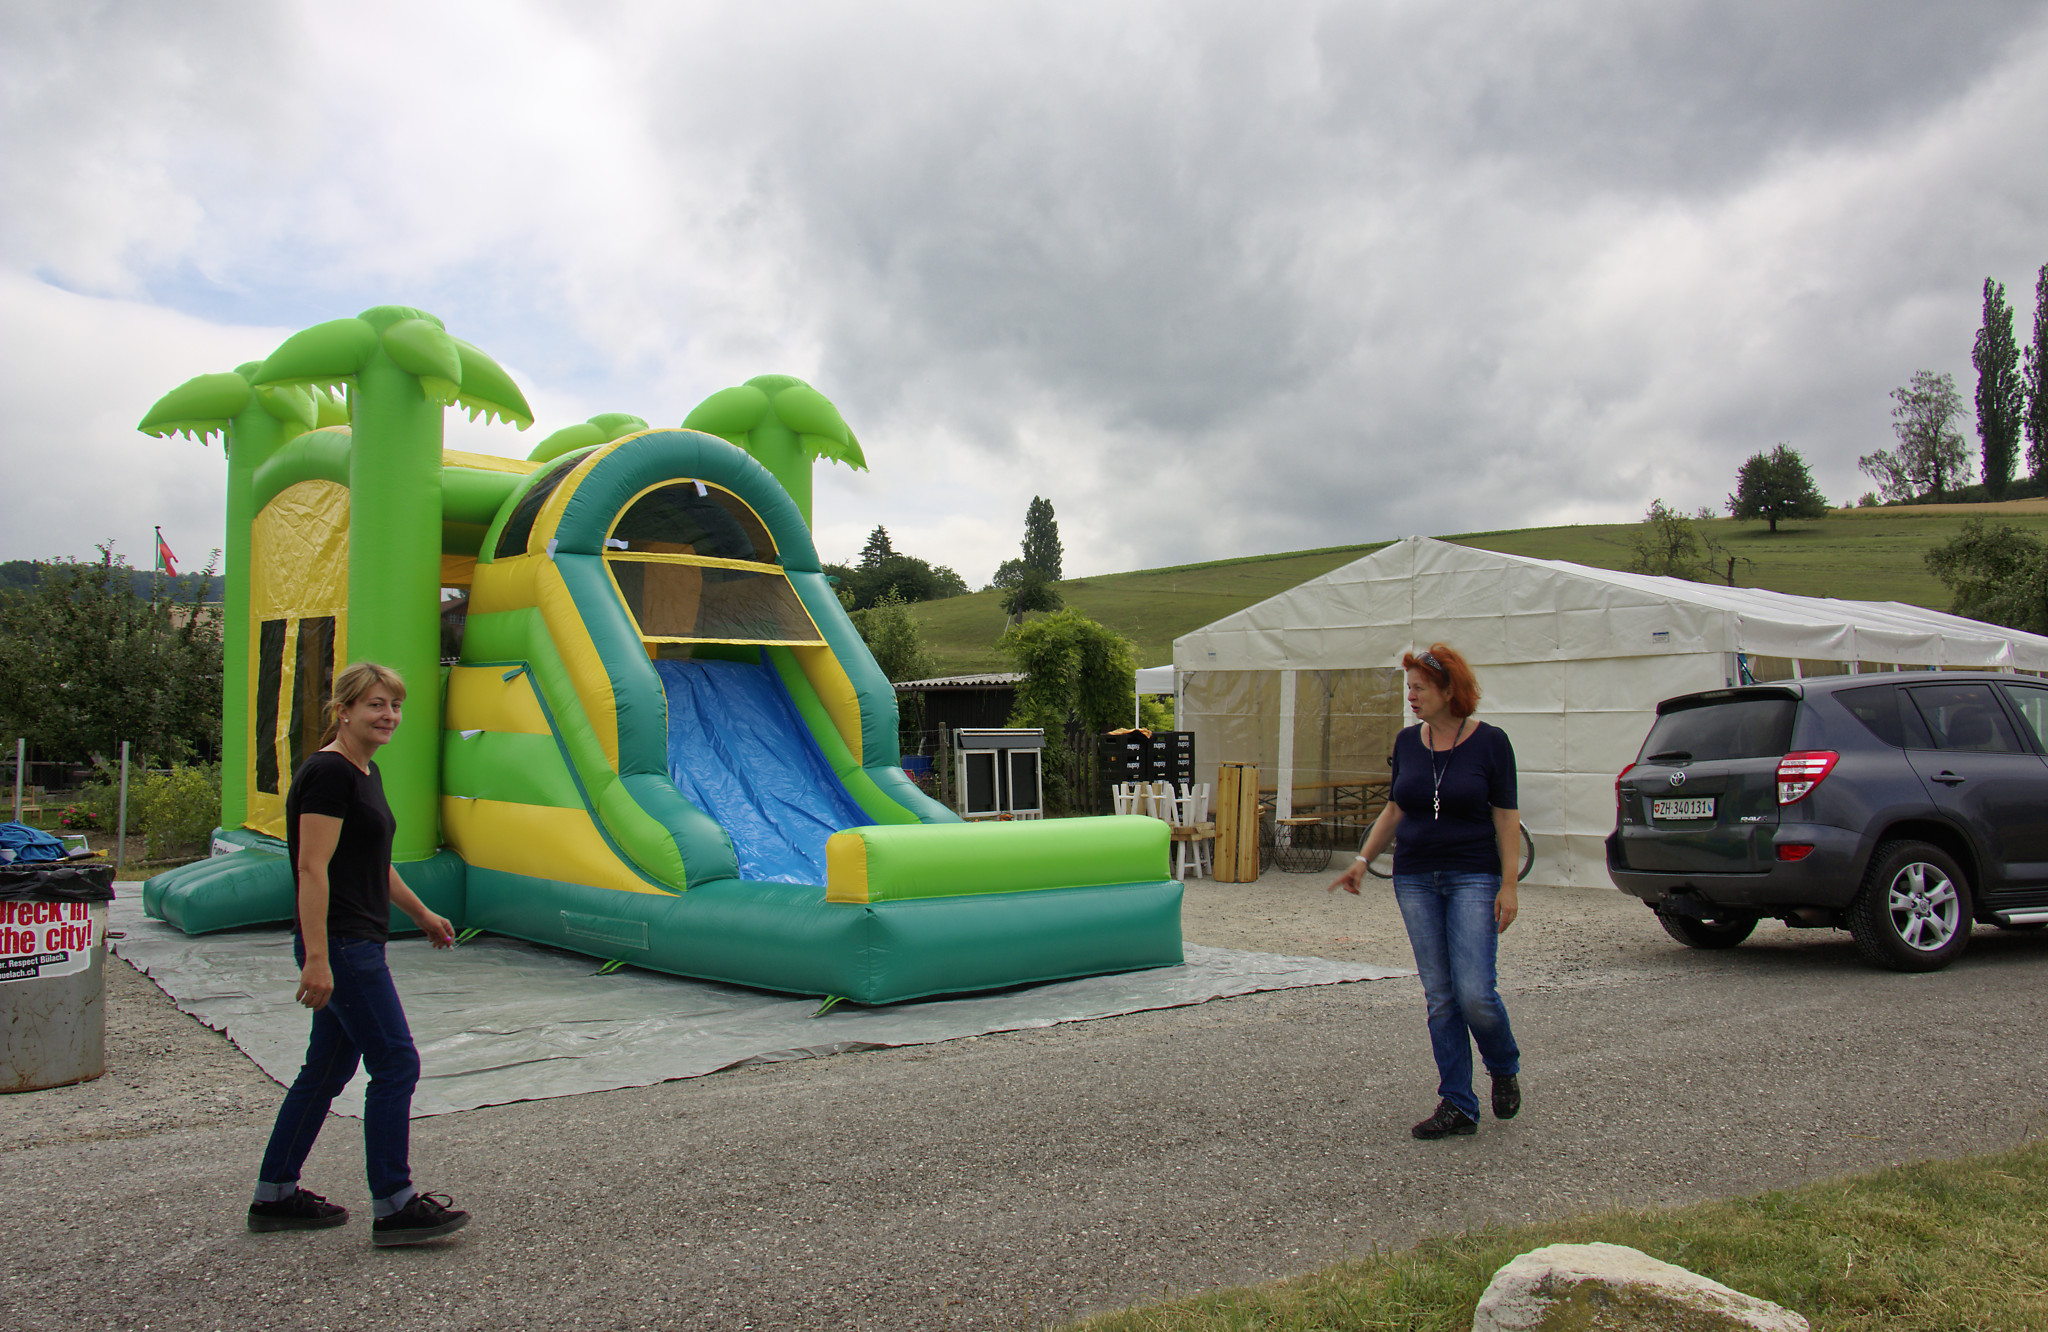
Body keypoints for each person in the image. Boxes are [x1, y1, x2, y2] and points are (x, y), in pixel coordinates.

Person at [246, 661, 471, 1245]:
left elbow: (373, 863)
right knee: (395, 1063)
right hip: (342, 945)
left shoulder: (363, 771)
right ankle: (394, 1205)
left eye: (394, 705)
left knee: (326, 1069)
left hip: (355, 940)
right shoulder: (329, 773)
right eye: (375, 704)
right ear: (342, 711)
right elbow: (311, 867)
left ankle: (275, 1194)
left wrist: (421, 914)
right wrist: (317, 957)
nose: (388, 715)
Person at [1329, 643, 1522, 1139]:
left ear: (1449, 690)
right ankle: (1458, 1103)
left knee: (1475, 993)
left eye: (1419, 688)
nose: (1411, 696)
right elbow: (1396, 808)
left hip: (1473, 876)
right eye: (1409, 688)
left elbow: (1506, 818)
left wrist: (1509, 885)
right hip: (1415, 877)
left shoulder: (1491, 743)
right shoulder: (1407, 742)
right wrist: (1362, 861)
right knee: (1440, 996)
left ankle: (1503, 1064)